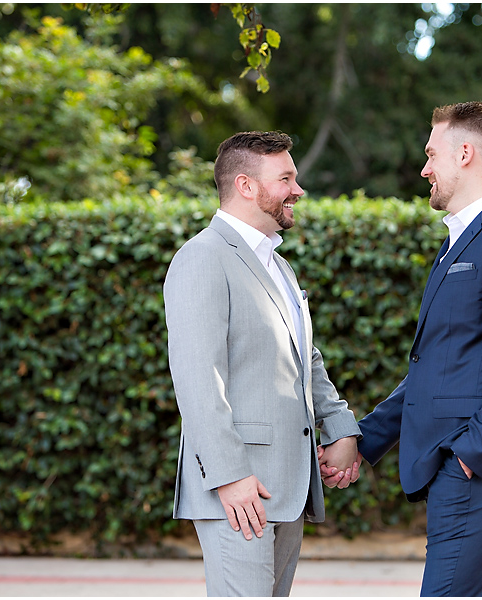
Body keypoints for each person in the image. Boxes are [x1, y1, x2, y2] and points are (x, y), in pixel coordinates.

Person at [328, 101, 482, 596]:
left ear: (466, 154)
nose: (424, 168)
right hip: (464, 463)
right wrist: (364, 441)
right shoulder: (460, 242)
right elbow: (439, 365)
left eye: (432, 154)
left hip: (475, 465)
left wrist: (472, 453)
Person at [163, 130, 361, 597]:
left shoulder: (279, 267)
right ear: (247, 186)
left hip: (286, 488)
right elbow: (197, 379)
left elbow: (302, 359)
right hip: (238, 490)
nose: (298, 189)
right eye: (286, 178)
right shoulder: (202, 258)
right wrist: (229, 477)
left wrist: (340, 426)